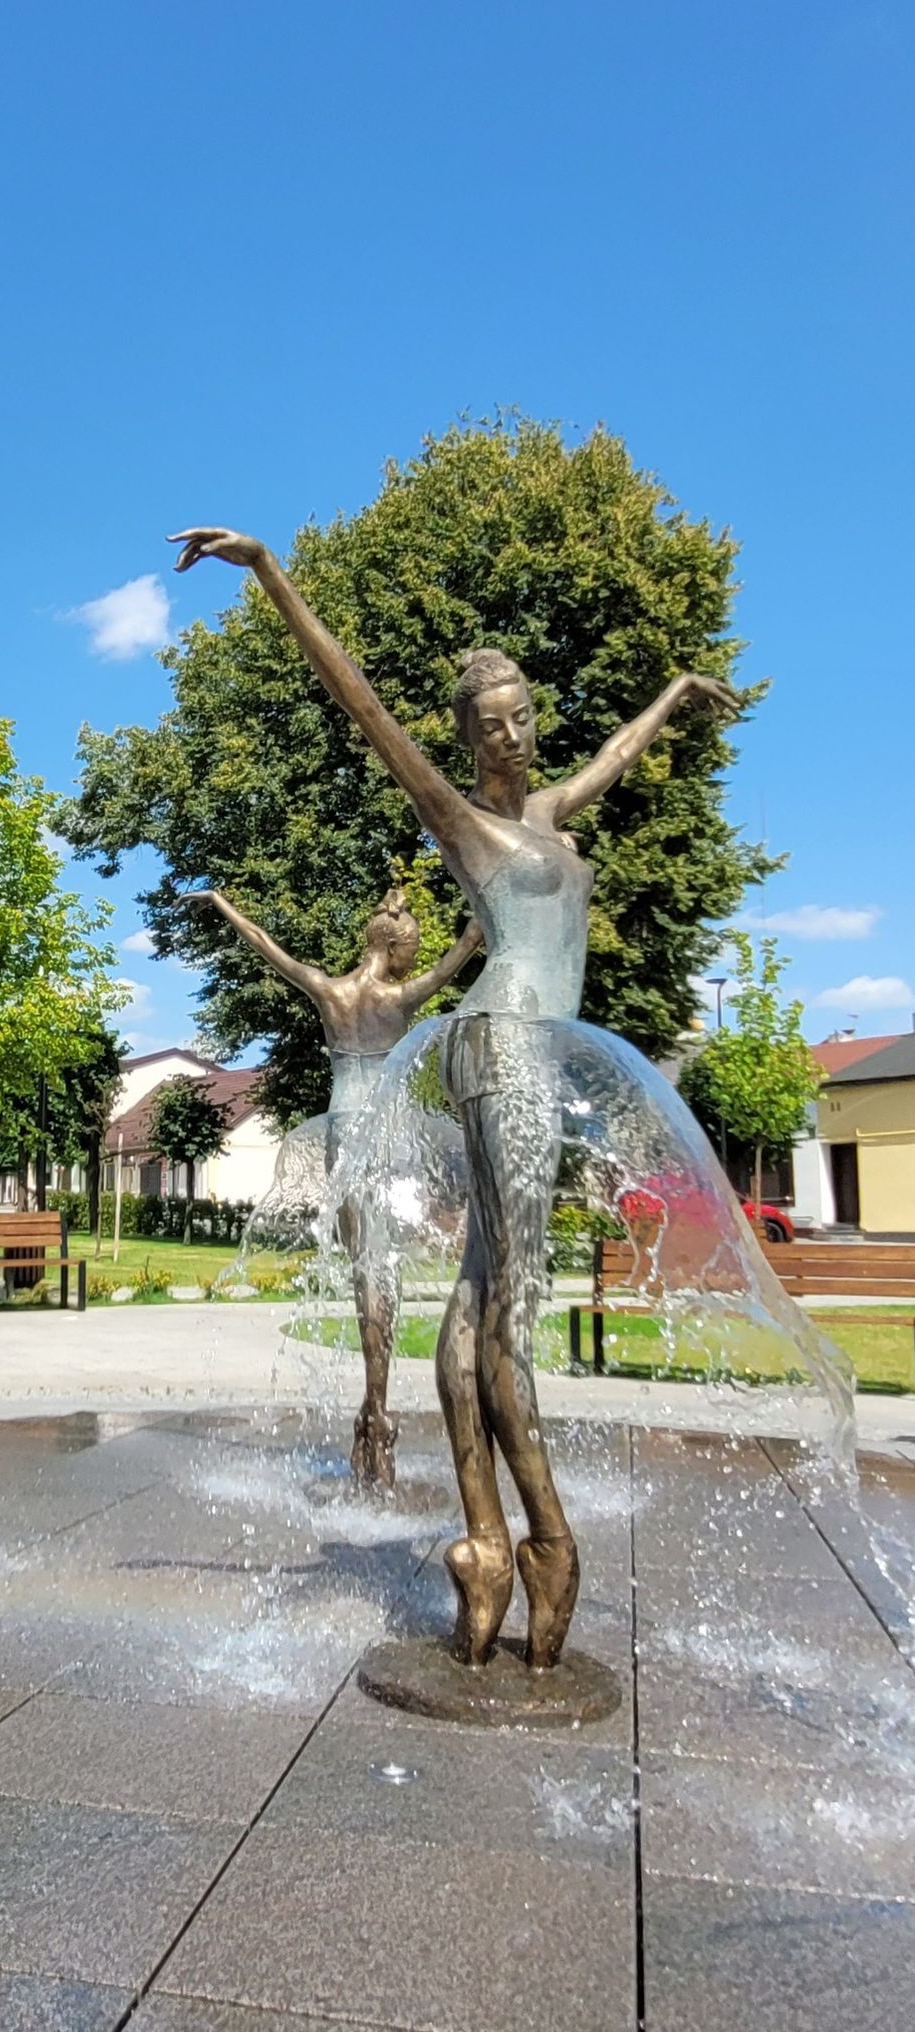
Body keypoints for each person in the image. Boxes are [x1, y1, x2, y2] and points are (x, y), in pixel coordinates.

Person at [169, 532, 736, 1669]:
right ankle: (550, 1543)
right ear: (469, 741)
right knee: (512, 1313)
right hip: (506, 1049)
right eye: (492, 726)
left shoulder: (552, 816)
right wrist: (272, 575)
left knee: (476, 1309)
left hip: (516, 1049)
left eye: (523, 718)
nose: (512, 736)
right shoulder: (467, 826)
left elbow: (613, 757)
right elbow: (365, 706)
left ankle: (483, 1543)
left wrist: (675, 692)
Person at [184, 886, 479, 1484]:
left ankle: (373, 1411)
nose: (415, 960)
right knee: (384, 1268)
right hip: (389, 1135)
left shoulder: (329, 990)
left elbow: (266, 945)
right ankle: (377, 1410)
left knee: (363, 1268)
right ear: (392, 947)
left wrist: (221, 903)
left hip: (344, 1132)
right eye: (411, 949)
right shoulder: (402, 997)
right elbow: (469, 944)